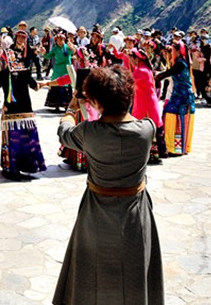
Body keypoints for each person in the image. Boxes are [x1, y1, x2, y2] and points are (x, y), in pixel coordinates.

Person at [53, 66, 164, 305]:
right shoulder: (147, 129)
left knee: (91, 270)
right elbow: (129, 120)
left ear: (96, 101)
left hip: (96, 211)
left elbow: (64, 132)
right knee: (135, 269)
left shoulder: (89, 132)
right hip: (136, 213)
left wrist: (71, 109)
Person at [0, 35, 47, 180]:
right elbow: (35, 86)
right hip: (26, 112)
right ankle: (30, 165)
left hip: (10, 112)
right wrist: (44, 84)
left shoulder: (4, 74)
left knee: (13, 140)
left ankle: (12, 168)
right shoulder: (25, 72)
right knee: (27, 138)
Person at [155, 42, 195, 156]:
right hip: (179, 95)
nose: (172, 52)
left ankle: (176, 148)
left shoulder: (180, 64)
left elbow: (169, 73)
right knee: (171, 115)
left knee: (171, 115)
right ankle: (177, 147)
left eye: (173, 50)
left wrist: (156, 77)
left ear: (178, 51)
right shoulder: (180, 62)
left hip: (183, 97)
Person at [44, 32, 73, 111]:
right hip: (57, 70)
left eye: (61, 40)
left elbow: (73, 52)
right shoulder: (55, 49)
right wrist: (44, 52)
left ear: (64, 40)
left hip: (66, 69)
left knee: (66, 85)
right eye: (58, 40)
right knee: (56, 84)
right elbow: (48, 56)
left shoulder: (67, 47)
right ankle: (56, 105)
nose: (59, 42)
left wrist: (72, 47)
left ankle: (66, 105)